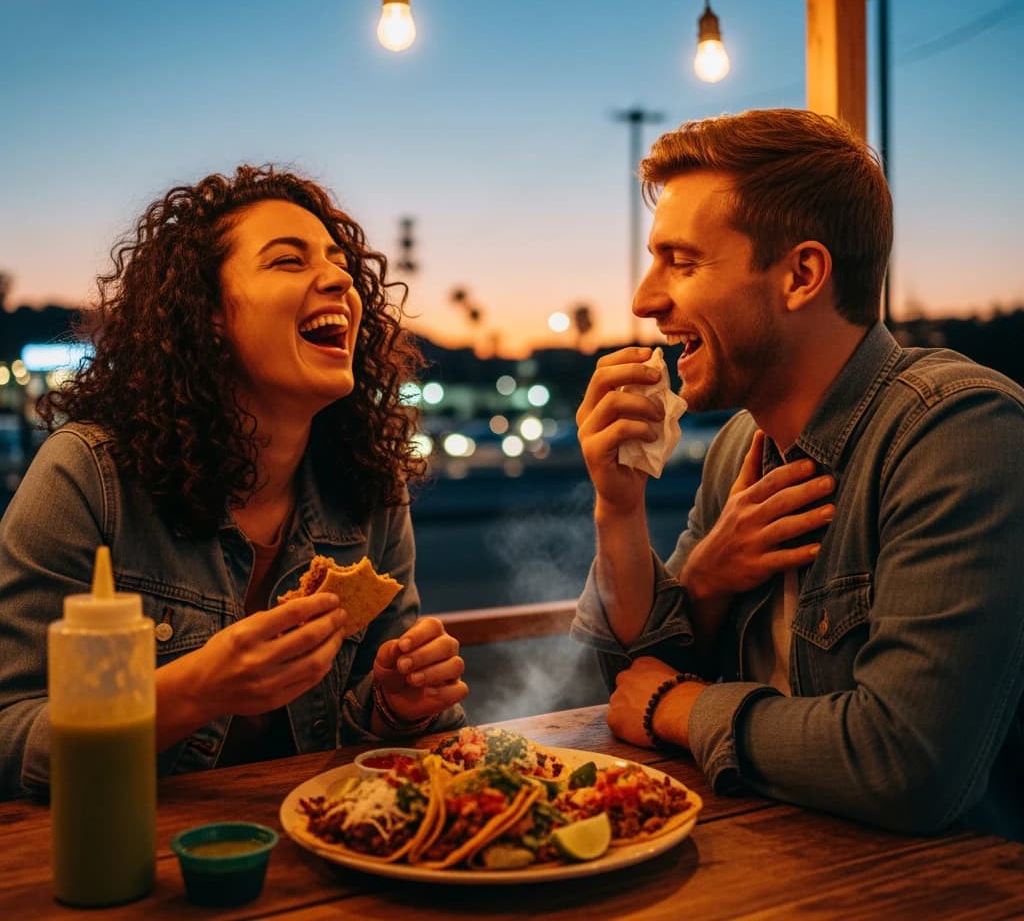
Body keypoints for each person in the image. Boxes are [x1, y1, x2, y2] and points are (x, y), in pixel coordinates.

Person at [571, 108, 1024, 841]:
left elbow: (907, 763)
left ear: (802, 275)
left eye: (682, 263)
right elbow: (630, 682)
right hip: (780, 870)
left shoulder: (960, 431)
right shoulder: (738, 448)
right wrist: (620, 512)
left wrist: (679, 708)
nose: (645, 300)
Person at [0, 164, 468, 799]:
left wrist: (399, 704)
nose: (339, 279)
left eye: (339, 262)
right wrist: (196, 690)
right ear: (209, 314)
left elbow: (392, 754)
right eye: (287, 261)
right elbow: (10, 737)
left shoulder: (369, 490)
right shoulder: (89, 476)